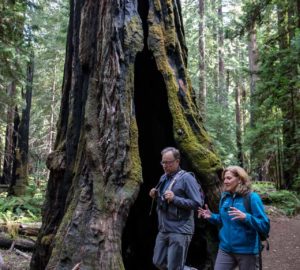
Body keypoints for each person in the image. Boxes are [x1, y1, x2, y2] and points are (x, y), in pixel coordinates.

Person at [198, 166, 270, 270]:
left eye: (229, 178)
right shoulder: (225, 197)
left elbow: (265, 225)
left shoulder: (251, 197)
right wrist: (211, 216)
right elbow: (223, 220)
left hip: (247, 251)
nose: (225, 181)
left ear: (240, 179)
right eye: (224, 179)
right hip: (225, 249)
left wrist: (246, 217)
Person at [149, 147, 204, 270]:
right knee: (158, 261)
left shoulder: (187, 178)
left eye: (168, 162)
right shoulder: (163, 178)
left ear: (177, 161)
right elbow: (164, 200)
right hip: (164, 228)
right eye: (163, 162)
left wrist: (175, 199)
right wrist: (156, 195)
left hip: (180, 229)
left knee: (174, 267)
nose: (165, 165)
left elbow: (197, 203)